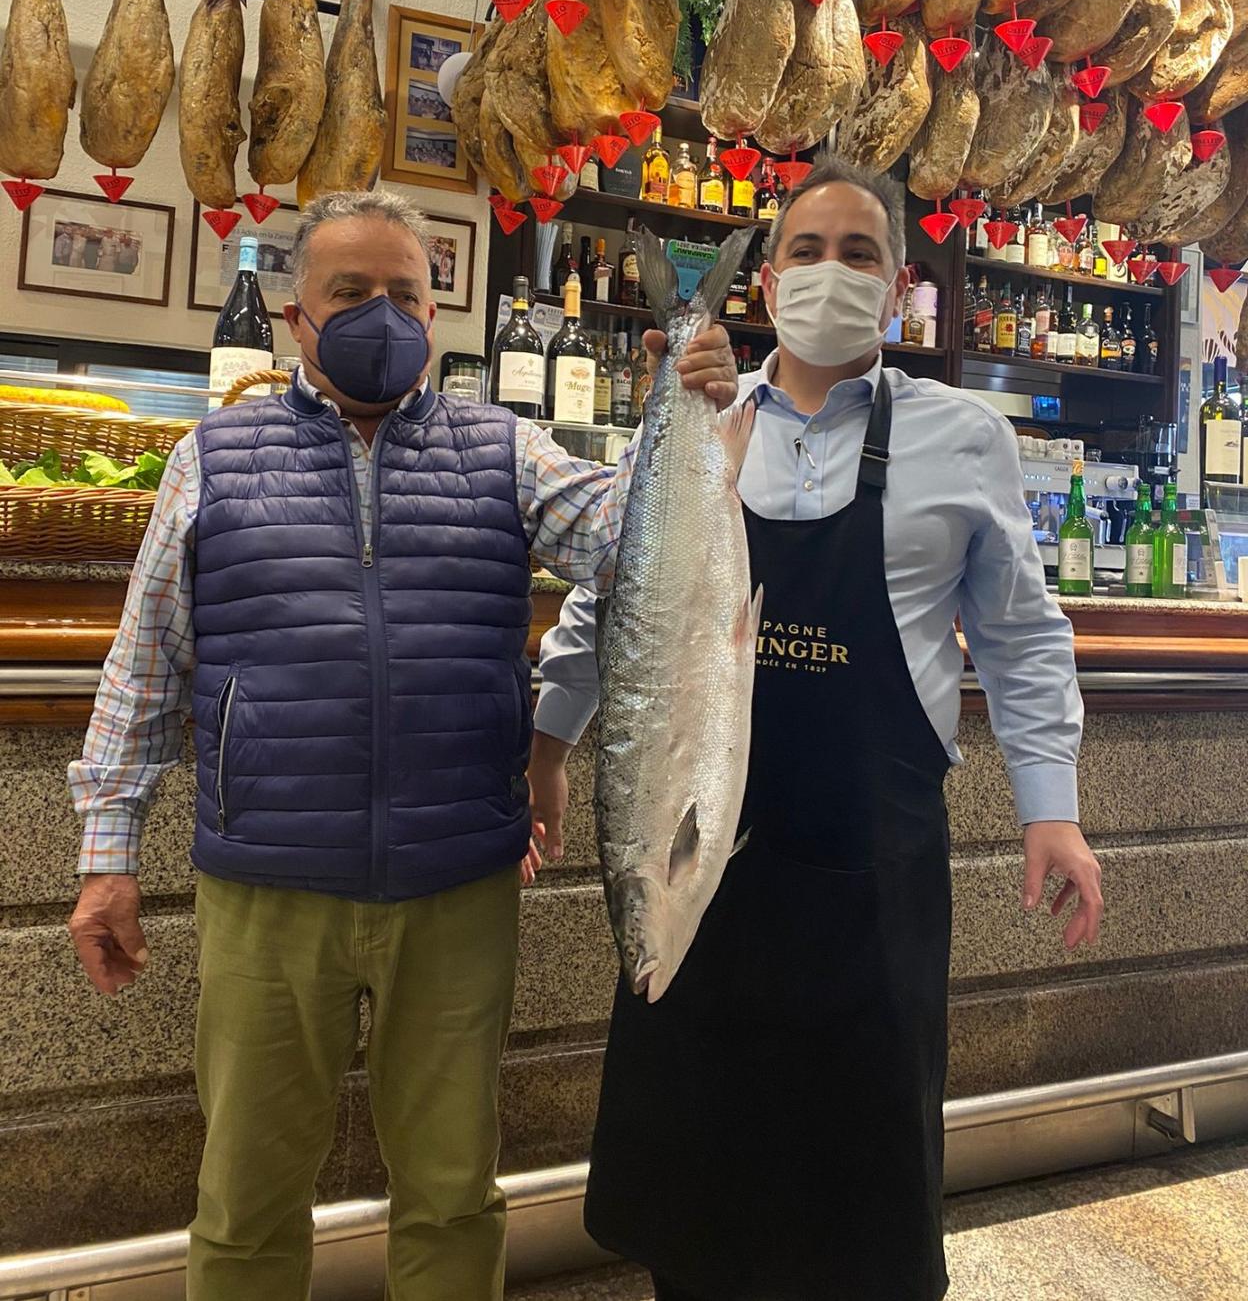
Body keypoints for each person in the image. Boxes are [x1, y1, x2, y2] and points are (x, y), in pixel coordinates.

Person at [66, 188, 736, 1301]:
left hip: (457, 889)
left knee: (452, 1195)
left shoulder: (505, 452)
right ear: (295, 317)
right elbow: (145, 669)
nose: (382, 313)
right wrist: (105, 856)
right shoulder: (214, 456)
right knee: (244, 1201)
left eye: (405, 295)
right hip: (270, 892)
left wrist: (694, 400)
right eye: (350, 293)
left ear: (437, 317)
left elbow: (634, 546)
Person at [530, 158, 1104, 1301]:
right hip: (702, 874)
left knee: (863, 1203)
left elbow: (1021, 638)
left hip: (869, 879)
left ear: (897, 292)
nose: (831, 272)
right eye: (806, 250)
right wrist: (550, 743)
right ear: (769, 279)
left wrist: (1055, 812)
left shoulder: (961, 436)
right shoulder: (704, 424)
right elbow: (617, 602)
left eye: (861, 254)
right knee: (697, 1202)